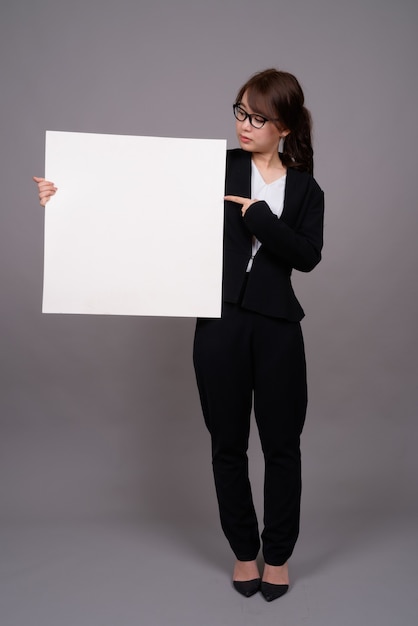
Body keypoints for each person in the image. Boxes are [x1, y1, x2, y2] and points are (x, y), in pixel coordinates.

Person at [33, 68, 324, 602]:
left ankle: (278, 556)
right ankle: (244, 553)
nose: (244, 125)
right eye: (239, 111)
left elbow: (307, 256)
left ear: (283, 127)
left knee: (283, 446)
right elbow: (139, 202)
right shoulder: (215, 168)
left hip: (280, 329)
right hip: (217, 323)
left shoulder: (306, 189)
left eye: (258, 118)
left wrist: (260, 217)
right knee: (227, 444)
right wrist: (66, 197)